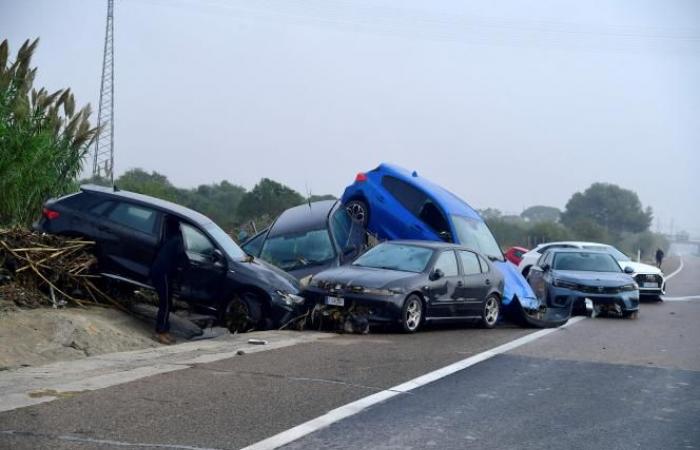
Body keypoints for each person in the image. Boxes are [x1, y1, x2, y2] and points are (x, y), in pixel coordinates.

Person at [150, 218, 188, 345]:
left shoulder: (173, 238)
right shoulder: (179, 241)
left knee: (167, 302)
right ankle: (160, 332)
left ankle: (164, 330)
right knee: (165, 303)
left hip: (162, 271)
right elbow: (182, 258)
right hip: (162, 272)